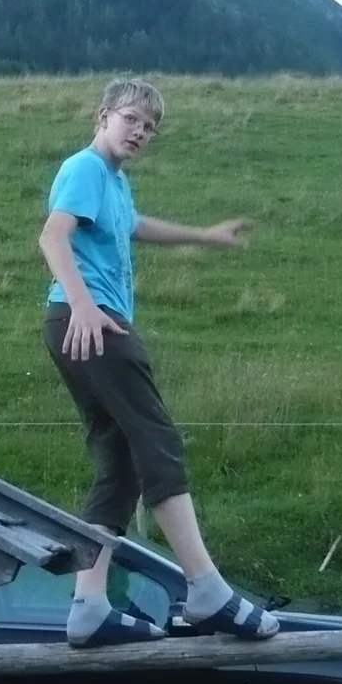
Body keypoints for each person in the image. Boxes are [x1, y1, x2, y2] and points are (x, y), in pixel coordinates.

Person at [37, 77, 281, 648]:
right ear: (103, 116)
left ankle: (89, 605)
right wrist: (84, 306)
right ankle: (206, 588)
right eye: (132, 120)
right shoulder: (85, 168)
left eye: (150, 127)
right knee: (157, 441)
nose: (141, 132)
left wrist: (204, 235)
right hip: (92, 322)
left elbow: (136, 226)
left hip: (79, 322)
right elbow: (52, 237)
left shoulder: (113, 185)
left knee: (118, 459)